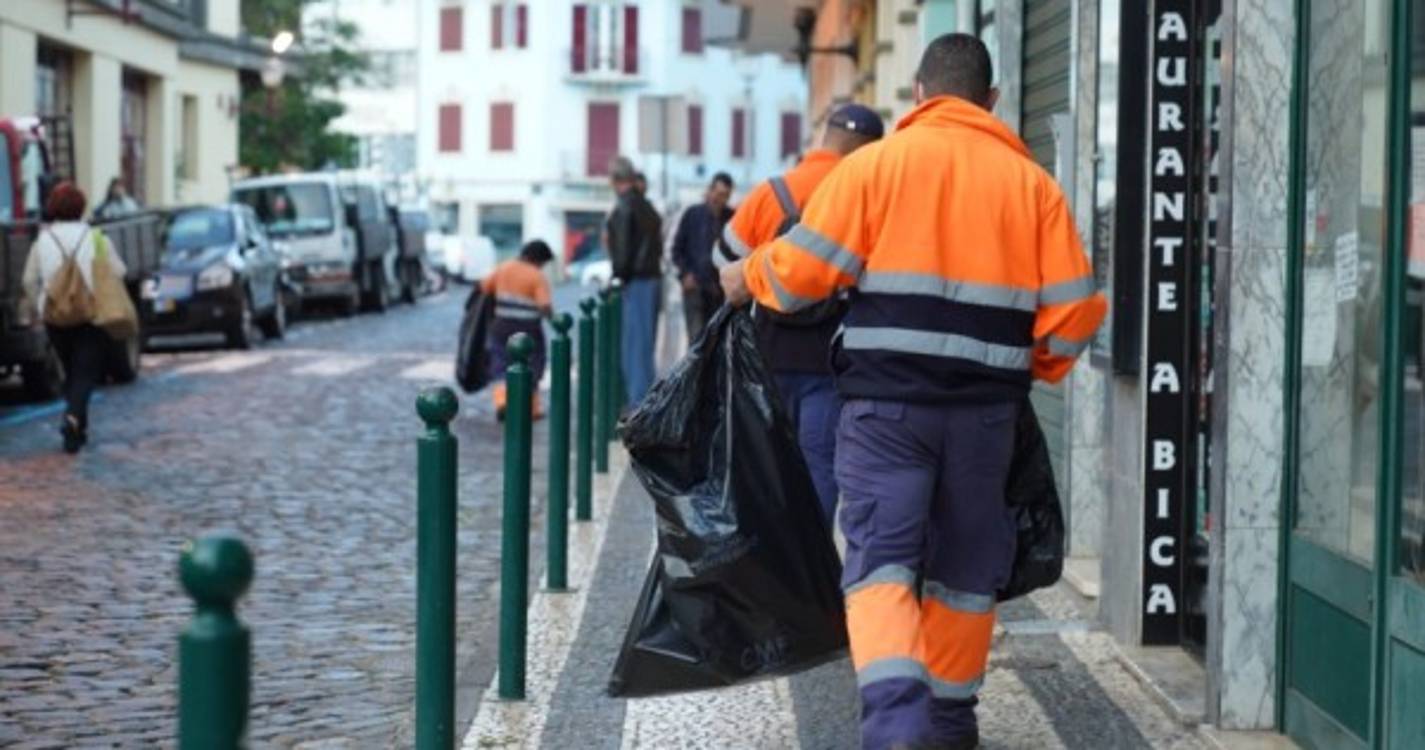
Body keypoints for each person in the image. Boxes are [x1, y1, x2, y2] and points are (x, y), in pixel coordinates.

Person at [721, 34, 1106, 750]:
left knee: (880, 564)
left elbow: (803, 272)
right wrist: (1031, 369)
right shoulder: (1033, 187)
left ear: (920, 95)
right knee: (964, 571)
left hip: (885, 412)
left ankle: (897, 724)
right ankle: (951, 724)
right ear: (991, 102)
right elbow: (1075, 315)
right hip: (985, 418)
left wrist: (749, 275)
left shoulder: (878, 166)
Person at [714, 105, 883, 527]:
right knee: (820, 465)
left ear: (825, 138)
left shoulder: (773, 192)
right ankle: (812, 570)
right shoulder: (868, 195)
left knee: (766, 463)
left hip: (768, 352)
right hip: (833, 358)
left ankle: (768, 568)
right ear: (869, 149)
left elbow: (722, 258)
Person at [21, 182, 126, 453]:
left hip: (56, 318)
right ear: (81, 207)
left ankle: (78, 430)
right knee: (85, 373)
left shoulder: (43, 241)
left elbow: (28, 280)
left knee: (72, 371)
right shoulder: (96, 237)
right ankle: (73, 419)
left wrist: (40, 305)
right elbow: (120, 271)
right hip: (89, 315)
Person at [605, 156, 663, 406]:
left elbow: (623, 251)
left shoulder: (625, 207)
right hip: (651, 279)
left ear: (614, 180)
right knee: (644, 347)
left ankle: (638, 407)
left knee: (634, 349)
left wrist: (617, 278)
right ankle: (646, 402)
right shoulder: (646, 206)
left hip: (635, 281)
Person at [482, 240, 555, 420]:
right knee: (533, 365)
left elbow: (485, 287)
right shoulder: (536, 276)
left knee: (500, 364)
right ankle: (531, 409)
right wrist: (553, 318)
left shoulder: (503, 267)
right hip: (528, 329)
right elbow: (544, 305)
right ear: (538, 260)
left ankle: (502, 402)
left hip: (501, 325)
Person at [672, 172, 734, 341]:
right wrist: (685, 274)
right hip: (695, 288)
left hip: (719, 292)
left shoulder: (731, 219)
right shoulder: (692, 214)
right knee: (696, 341)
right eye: (717, 193)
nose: (718, 199)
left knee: (715, 343)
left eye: (724, 196)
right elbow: (677, 250)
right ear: (709, 190)